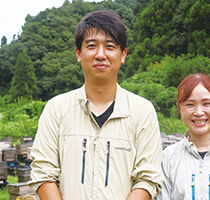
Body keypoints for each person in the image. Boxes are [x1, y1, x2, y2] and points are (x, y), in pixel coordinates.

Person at [28, 10, 163, 200]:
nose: (100, 55)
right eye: (91, 46)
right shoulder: (56, 108)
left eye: (110, 46)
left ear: (123, 55)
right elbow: (43, 172)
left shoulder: (142, 111)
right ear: (79, 53)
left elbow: (148, 179)